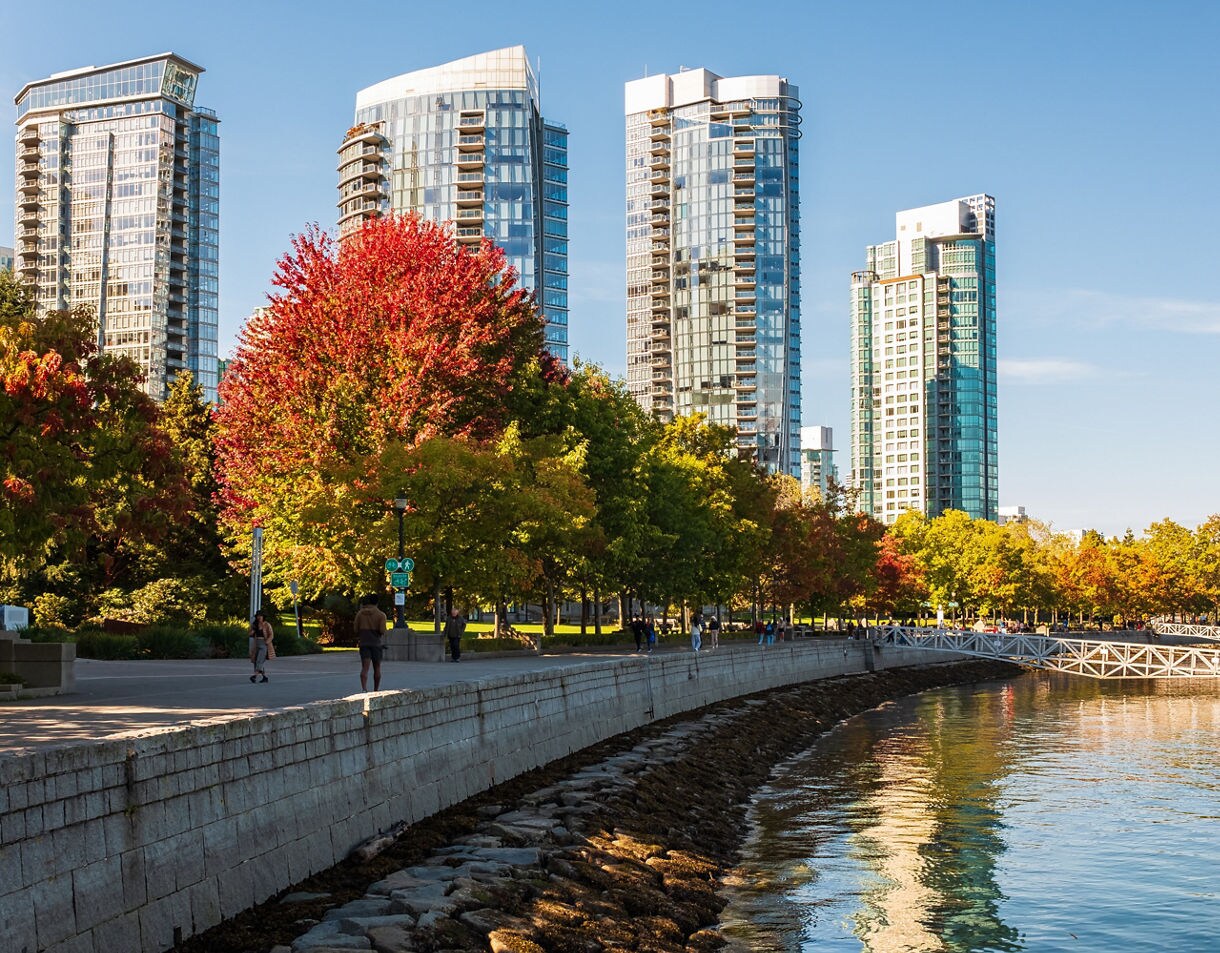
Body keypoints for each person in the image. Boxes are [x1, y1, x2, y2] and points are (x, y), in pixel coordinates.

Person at [353, 594, 388, 691]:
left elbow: (355, 629)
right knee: (377, 668)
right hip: (376, 644)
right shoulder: (381, 615)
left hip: (364, 643)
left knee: (365, 668)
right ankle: (376, 689)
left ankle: (364, 688)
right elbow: (382, 631)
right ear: (377, 602)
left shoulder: (360, 614)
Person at [249, 610, 273, 683]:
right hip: (256, 644)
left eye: (260, 616)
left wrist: (267, 642)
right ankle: (264, 677)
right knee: (256, 661)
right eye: (258, 616)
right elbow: (250, 634)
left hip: (264, 644)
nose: (259, 617)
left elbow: (271, 635)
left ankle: (254, 676)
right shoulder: (255, 625)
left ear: (263, 617)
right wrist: (252, 630)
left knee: (260, 660)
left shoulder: (267, 624)